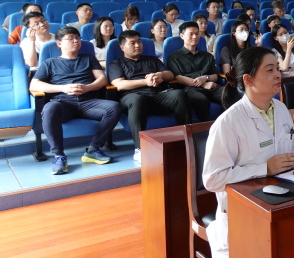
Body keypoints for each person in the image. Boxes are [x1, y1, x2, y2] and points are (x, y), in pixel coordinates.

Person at [203, 47, 294, 258]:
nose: (278, 74)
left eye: (277, 68)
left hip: (283, 196)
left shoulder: (280, 109)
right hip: (243, 209)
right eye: (269, 70)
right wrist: (264, 168)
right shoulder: (228, 123)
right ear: (248, 80)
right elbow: (213, 179)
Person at [29, 26, 121, 175]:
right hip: (63, 103)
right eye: (70, 38)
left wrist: (88, 88)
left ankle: (93, 149)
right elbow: (34, 85)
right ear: (59, 43)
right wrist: (63, 88)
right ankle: (59, 155)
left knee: (115, 107)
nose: (76, 41)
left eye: (77, 38)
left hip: (88, 102)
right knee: (49, 108)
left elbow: (102, 79)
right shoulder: (49, 63)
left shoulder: (88, 58)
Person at [108, 30, 191, 164]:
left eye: (139, 42)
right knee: (137, 99)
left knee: (179, 94)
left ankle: (186, 139)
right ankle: (139, 149)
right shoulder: (116, 64)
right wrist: (145, 82)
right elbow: (120, 84)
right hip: (132, 97)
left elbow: (170, 75)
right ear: (122, 47)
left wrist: (159, 75)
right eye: (132, 43)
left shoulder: (152, 60)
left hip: (157, 96)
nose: (137, 45)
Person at [167, 21, 223, 124]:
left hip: (210, 86)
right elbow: (179, 78)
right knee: (201, 100)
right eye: (191, 34)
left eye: (197, 34)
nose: (195, 37)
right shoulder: (174, 57)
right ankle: (205, 129)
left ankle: (228, 125)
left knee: (229, 94)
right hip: (189, 88)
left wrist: (205, 78)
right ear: (182, 36)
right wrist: (203, 84)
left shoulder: (207, 56)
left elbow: (215, 76)